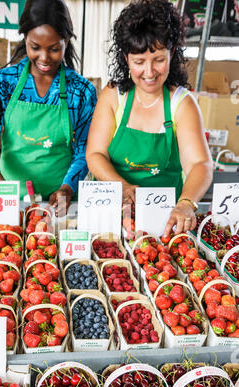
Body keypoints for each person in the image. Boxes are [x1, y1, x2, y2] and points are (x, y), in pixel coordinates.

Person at [86, 0, 213, 238]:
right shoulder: (114, 97)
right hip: (111, 217)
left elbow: (200, 165)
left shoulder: (182, 104)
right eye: (139, 62)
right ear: (126, 58)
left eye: (158, 60)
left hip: (163, 223)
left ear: (172, 53)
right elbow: (95, 154)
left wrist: (186, 203)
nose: (149, 72)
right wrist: (121, 186)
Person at [0, 0, 97, 215]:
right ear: (25, 39)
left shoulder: (81, 91)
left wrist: (67, 188)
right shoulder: (3, 83)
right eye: (35, 47)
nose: (44, 58)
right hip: (10, 199)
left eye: (54, 49)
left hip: (60, 203)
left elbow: (84, 149)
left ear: (66, 41)